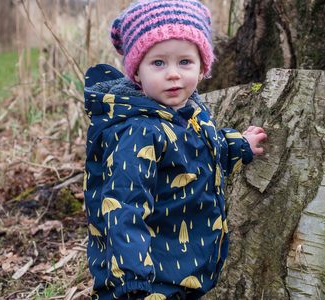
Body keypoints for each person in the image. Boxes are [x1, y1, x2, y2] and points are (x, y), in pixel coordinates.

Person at [83, 1, 267, 299]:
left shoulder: (190, 114)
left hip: (181, 266)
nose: (173, 74)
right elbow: (123, 206)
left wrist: (238, 145)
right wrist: (133, 280)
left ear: (202, 66)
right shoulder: (138, 131)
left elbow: (200, 153)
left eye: (185, 62)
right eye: (158, 63)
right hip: (145, 278)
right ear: (137, 73)